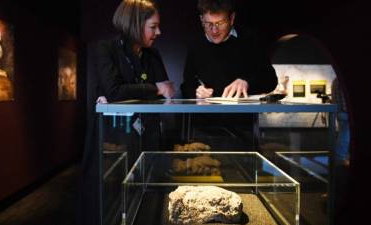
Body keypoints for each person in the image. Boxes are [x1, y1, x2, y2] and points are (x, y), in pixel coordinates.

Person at [79, 1, 174, 224]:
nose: (158, 32)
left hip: (146, 140)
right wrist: (154, 89)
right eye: (153, 26)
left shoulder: (153, 55)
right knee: (110, 201)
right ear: (134, 24)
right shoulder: (106, 49)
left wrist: (151, 90)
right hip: (112, 142)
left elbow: (167, 90)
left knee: (146, 199)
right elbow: (113, 91)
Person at [180, 0, 278, 150]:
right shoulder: (196, 44)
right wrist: (196, 91)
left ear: (232, 19)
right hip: (204, 133)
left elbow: (271, 80)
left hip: (243, 132)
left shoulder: (249, 40)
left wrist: (247, 81)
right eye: (208, 24)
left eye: (220, 23)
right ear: (201, 20)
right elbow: (186, 84)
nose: (214, 30)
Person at [331, 78, 350, 166]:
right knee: (345, 137)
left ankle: (343, 158)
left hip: (340, 112)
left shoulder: (335, 81)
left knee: (343, 135)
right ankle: (341, 159)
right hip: (346, 113)